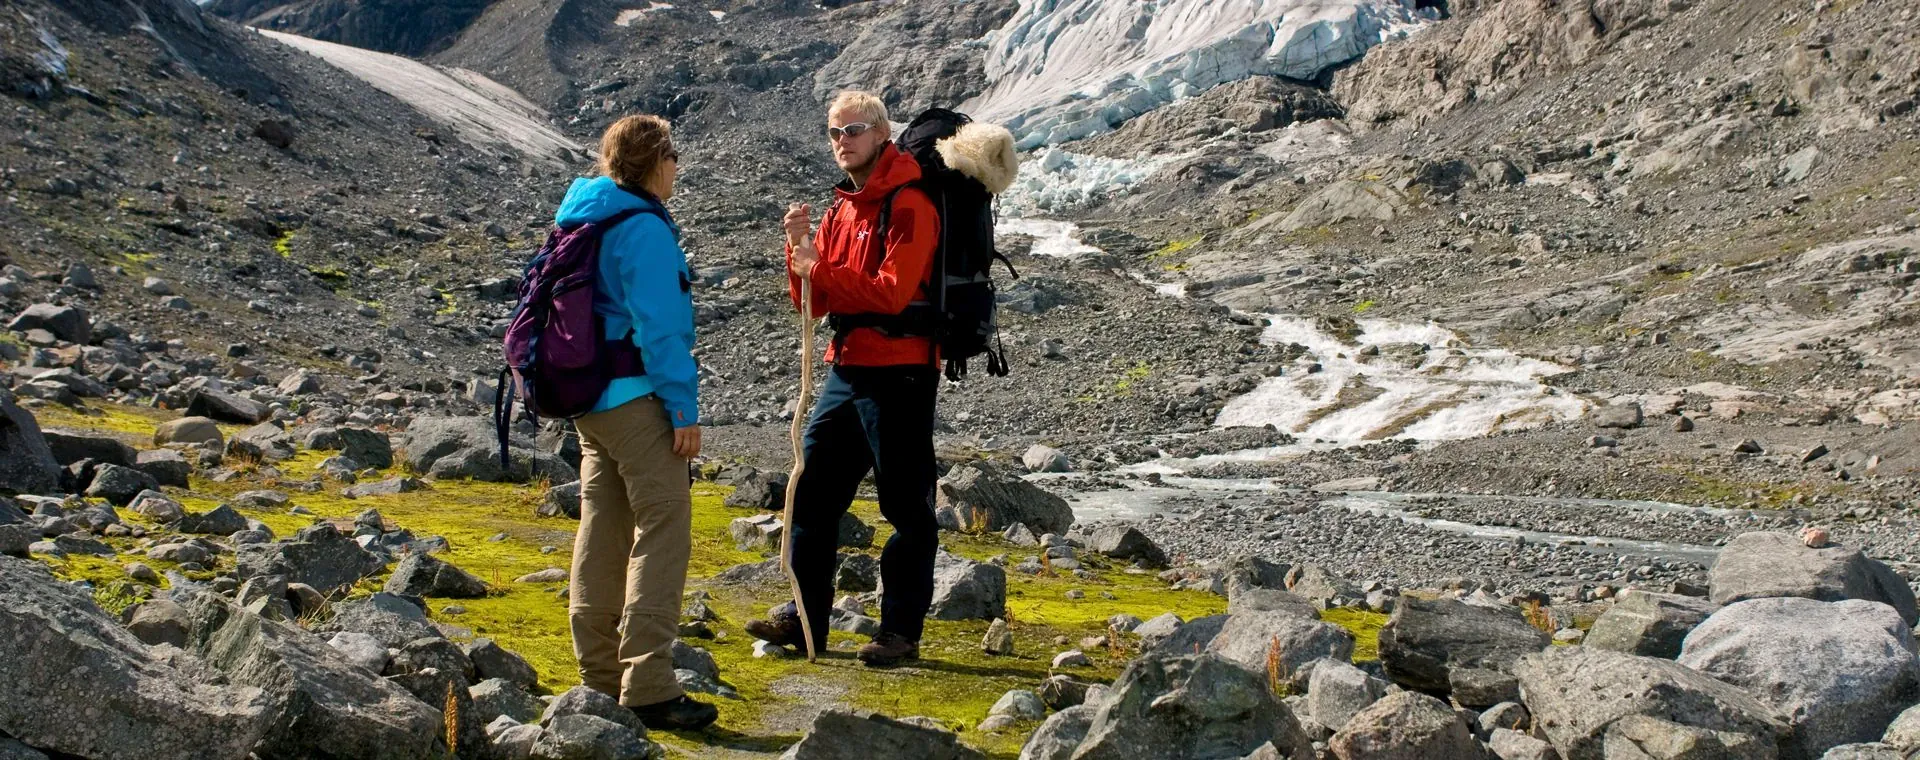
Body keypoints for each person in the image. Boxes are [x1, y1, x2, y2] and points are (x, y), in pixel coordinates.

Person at [745, 91, 942, 666]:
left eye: (853, 130)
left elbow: (893, 292)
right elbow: (811, 305)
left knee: (905, 505)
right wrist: (798, 251)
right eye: (834, 132)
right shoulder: (843, 209)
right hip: (848, 367)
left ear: (883, 133)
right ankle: (807, 620)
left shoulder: (911, 203)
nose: (842, 141)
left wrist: (817, 266)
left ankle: (900, 631)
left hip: (901, 371)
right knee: (811, 493)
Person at [554, 114, 717, 729]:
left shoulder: (585, 214)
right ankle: (648, 683)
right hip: (636, 399)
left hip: (590, 401)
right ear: (654, 161)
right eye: (673, 154)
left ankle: (598, 675)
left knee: (603, 526)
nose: (677, 166)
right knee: (664, 525)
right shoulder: (644, 227)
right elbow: (660, 328)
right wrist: (683, 408)